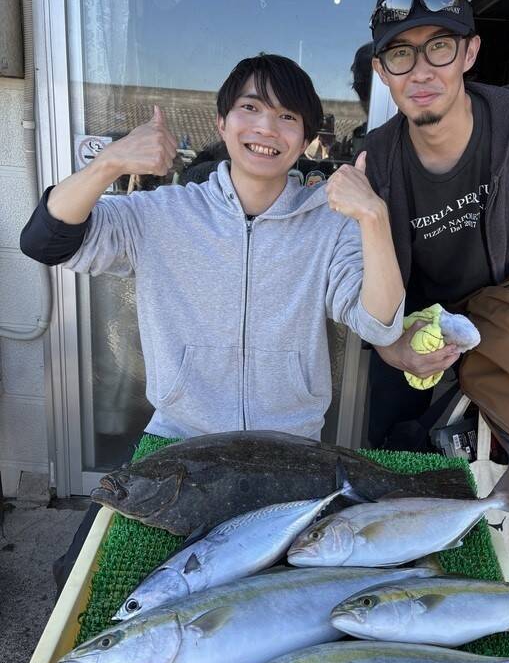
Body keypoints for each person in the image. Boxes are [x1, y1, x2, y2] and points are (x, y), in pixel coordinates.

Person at [21, 54, 405, 592]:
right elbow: (44, 240)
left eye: (287, 117)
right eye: (250, 108)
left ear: (306, 139)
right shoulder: (162, 213)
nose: (266, 129)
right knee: (83, 580)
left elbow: (381, 325)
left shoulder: (329, 223)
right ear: (222, 124)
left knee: (283, 600)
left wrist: (373, 218)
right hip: (180, 443)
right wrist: (109, 163)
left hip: (289, 452)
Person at [362, 0, 509, 449]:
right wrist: (392, 348)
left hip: (505, 325)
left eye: (439, 46)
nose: (421, 72)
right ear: (382, 72)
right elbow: (358, 275)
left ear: (470, 52)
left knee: (506, 469)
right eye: (401, 54)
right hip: (413, 327)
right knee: (392, 459)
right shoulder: (375, 162)